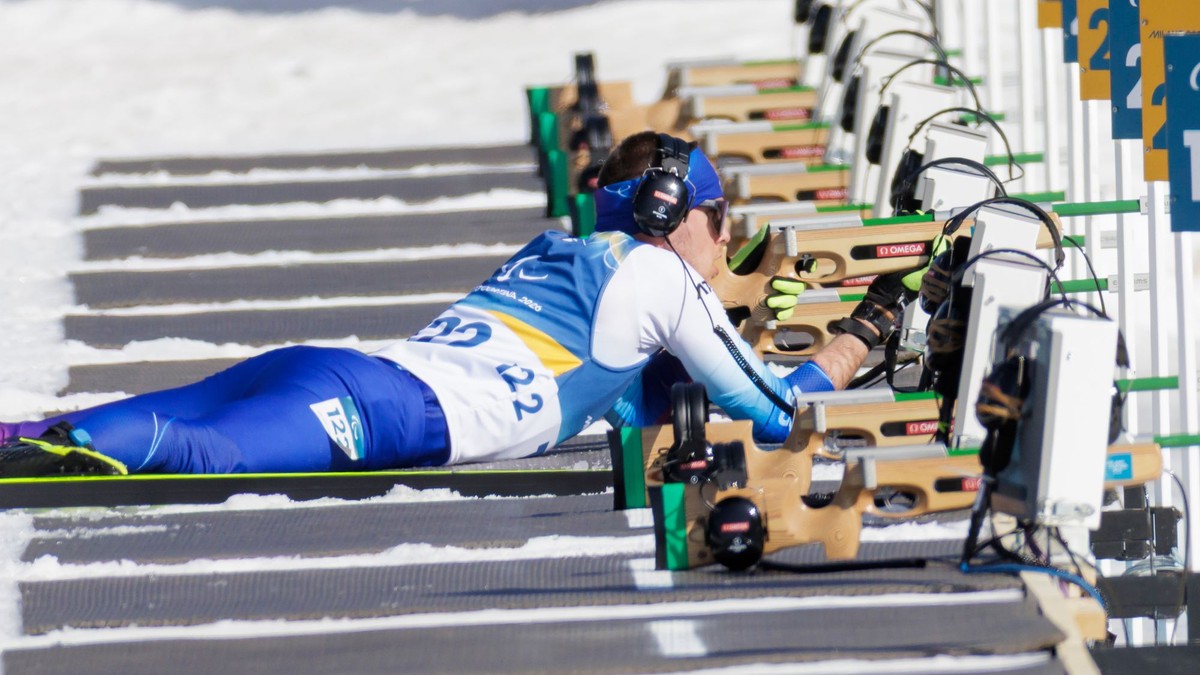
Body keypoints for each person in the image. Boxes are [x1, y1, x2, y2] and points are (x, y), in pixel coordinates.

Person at [0, 131, 909, 477]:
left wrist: (739, 315)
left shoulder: (560, 251)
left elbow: (641, 397)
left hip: (346, 372)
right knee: (186, 460)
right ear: (676, 214)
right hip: (383, 409)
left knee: (94, 424)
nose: (726, 237)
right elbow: (780, 409)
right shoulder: (661, 277)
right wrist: (860, 337)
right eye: (721, 216)